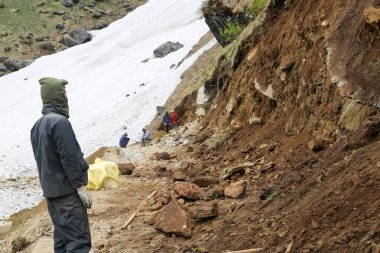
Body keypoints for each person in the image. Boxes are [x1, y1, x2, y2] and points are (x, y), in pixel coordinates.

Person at [31, 77, 92, 252]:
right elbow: (69, 158)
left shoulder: (37, 126)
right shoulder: (60, 123)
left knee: (63, 240)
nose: (67, 96)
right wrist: (79, 186)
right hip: (67, 193)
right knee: (78, 242)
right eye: (64, 93)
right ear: (58, 96)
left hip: (52, 194)